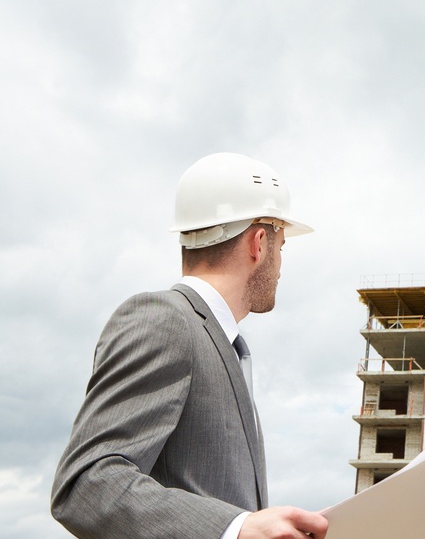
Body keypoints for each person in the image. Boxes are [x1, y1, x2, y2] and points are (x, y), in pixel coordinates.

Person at [51, 153, 329, 539]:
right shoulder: (165, 319)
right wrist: (235, 529)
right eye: (282, 247)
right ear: (260, 243)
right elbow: (86, 485)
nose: (281, 264)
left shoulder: (224, 345)